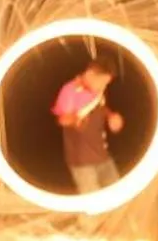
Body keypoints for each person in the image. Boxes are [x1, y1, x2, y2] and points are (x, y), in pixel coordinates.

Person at [52, 59, 125, 194]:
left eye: (106, 83)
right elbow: (63, 119)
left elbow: (100, 107)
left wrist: (111, 117)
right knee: (94, 204)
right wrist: (75, 120)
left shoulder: (97, 90)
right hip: (83, 161)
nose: (103, 86)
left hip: (102, 155)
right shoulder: (70, 90)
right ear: (90, 74)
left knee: (117, 194)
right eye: (102, 82)